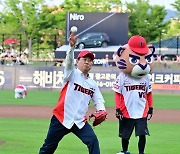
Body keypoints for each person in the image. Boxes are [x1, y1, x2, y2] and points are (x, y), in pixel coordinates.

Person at [39, 32, 107, 154]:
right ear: (78, 61)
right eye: (85, 59)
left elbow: (99, 99)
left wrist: (101, 110)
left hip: (79, 121)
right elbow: (68, 63)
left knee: (93, 141)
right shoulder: (71, 74)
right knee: (48, 148)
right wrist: (71, 48)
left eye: (90, 60)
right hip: (61, 118)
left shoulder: (92, 84)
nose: (87, 62)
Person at [112, 35, 155, 154]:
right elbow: (117, 93)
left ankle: (141, 152)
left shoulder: (146, 77)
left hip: (142, 110)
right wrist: (118, 108)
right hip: (126, 110)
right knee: (125, 135)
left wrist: (150, 108)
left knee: (142, 134)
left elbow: (149, 93)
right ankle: (124, 151)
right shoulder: (122, 77)